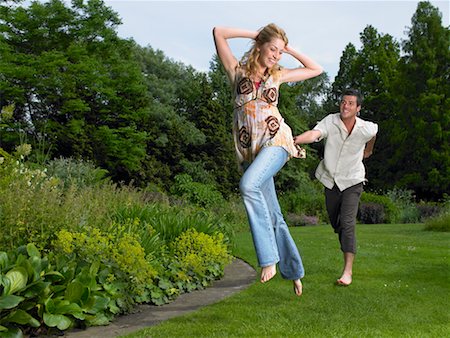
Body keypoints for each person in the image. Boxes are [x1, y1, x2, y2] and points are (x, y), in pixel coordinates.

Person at [213, 23, 323, 296]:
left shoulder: (279, 75)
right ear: (260, 46)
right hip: (251, 151)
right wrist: (257, 35)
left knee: (248, 186)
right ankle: (295, 272)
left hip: (278, 142)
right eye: (272, 49)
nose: (276, 55)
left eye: (280, 51)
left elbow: (315, 69)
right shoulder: (236, 71)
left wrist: (287, 48)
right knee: (274, 215)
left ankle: (268, 259)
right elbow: (218, 32)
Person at [293, 88, 378, 286]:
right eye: (343, 102)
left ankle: (347, 271)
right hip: (330, 180)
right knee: (337, 223)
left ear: (358, 108)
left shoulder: (366, 128)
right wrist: (295, 139)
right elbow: (315, 134)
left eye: (350, 103)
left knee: (347, 224)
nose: (345, 106)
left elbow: (374, 132)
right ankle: (346, 240)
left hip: (353, 180)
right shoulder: (330, 121)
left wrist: (369, 149)